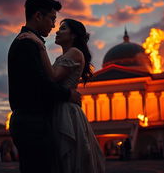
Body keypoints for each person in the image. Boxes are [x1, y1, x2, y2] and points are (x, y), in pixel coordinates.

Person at [19, 18, 105, 173]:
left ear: (73, 35)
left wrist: (40, 45)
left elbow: (52, 77)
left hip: (66, 111)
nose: (57, 31)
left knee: (67, 158)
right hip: (60, 107)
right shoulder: (64, 56)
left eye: (63, 28)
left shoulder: (75, 52)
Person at [8, 0, 81, 173]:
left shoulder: (30, 41)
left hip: (32, 120)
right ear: (38, 16)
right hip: (31, 121)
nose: (53, 25)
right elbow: (40, 84)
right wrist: (68, 94)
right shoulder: (27, 43)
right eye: (51, 18)